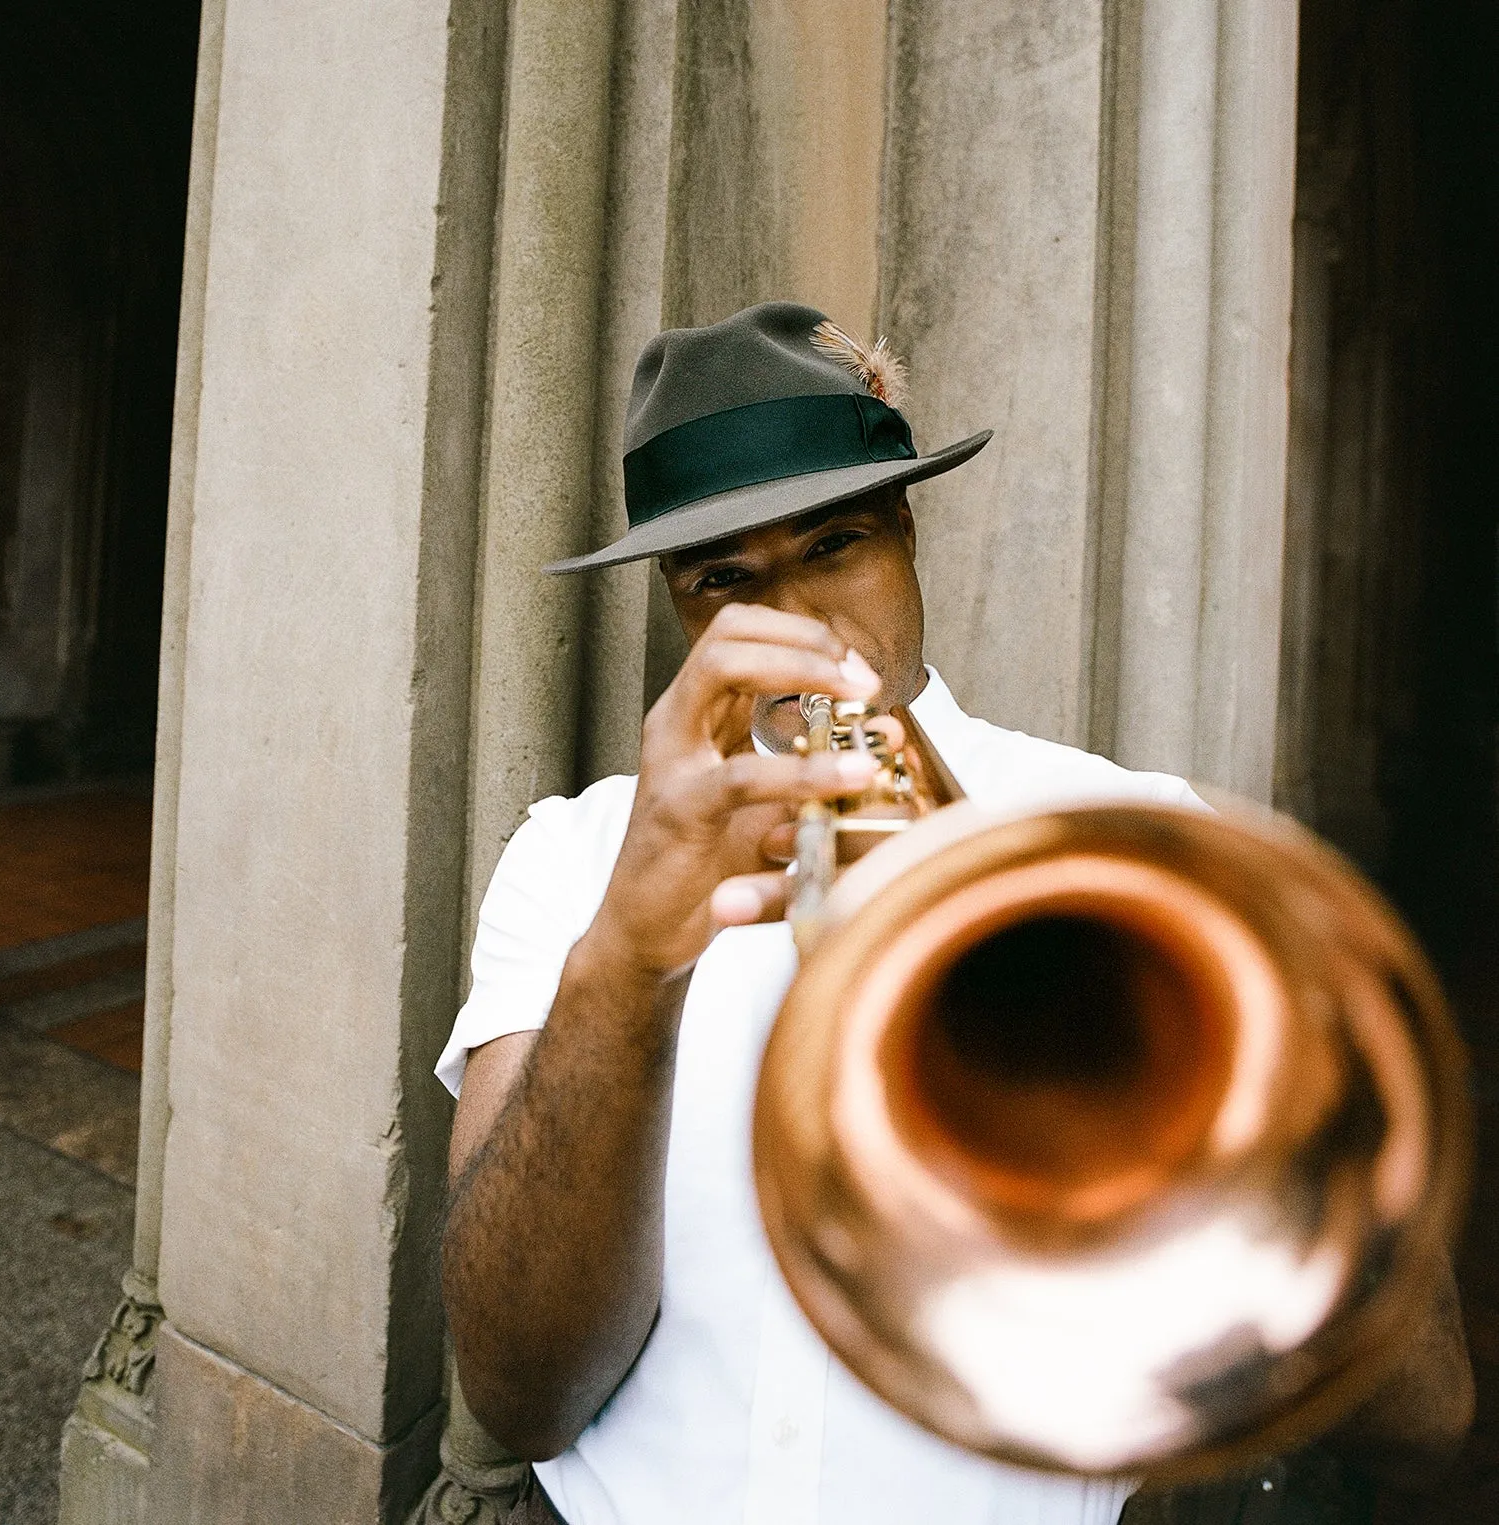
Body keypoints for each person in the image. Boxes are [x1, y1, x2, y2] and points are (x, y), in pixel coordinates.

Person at [437, 302, 1472, 1525]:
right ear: (677, 605)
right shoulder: (572, 857)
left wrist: (1119, 1068)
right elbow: (520, 1393)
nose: (799, 620)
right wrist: (626, 961)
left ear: (907, 532)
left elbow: (1425, 1414)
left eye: (835, 544)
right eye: (724, 576)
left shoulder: (1133, 835)